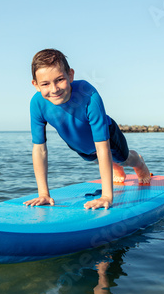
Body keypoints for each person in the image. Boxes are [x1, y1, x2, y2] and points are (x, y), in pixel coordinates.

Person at [24, 49, 151, 210]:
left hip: (107, 137)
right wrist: (43, 194)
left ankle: (138, 161)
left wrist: (106, 196)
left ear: (70, 75)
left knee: (122, 159)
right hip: (79, 145)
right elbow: (39, 149)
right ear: (35, 84)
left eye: (60, 79)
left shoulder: (88, 94)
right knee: (94, 158)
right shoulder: (37, 104)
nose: (54, 89)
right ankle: (116, 168)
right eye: (45, 84)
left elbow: (102, 147)